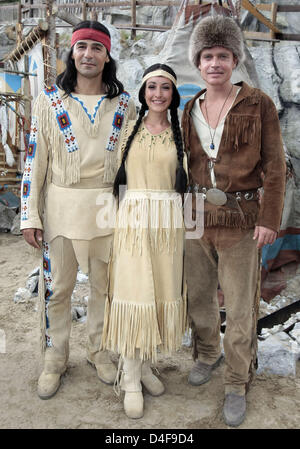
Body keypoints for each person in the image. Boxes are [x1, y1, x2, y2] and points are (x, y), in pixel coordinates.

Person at [20, 20, 136, 400]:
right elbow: (34, 161)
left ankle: (100, 352)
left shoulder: (126, 105)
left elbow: (135, 163)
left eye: (97, 48)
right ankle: (55, 357)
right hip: (61, 207)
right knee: (58, 288)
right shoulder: (48, 101)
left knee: (105, 288)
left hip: (106, 207)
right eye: (82, 46)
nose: (88, 54)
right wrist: (29, 215)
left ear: (107, 55)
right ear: (72, 52)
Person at [181, 16, 286, 427]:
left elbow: (276, 167)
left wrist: (269, 219)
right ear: (198, 61)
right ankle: (207, 354)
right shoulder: (190, 107)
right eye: (207, 56)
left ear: (234, 59)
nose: (215, 63)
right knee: (199, 296)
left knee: (241, 306)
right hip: (195, 217)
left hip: (242, 218)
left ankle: (237, 380)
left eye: (223, 55)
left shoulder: (258, 103)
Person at [100, 64, 188, 419]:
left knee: (159, 293)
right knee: (135, 294)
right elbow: (112, 176)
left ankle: (145, 363)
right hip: (133, 220)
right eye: (151, 86)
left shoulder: (181, 134)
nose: (157, 94)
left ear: (173, 94)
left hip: (168, 224)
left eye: (165, 88)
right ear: (143, 92)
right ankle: (131, 377)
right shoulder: (127, 128)